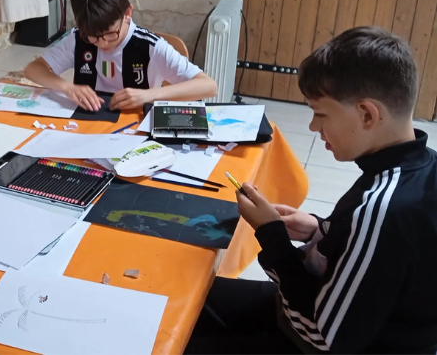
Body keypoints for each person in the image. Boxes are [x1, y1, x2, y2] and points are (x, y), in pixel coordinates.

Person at [185, 27, 437, 353]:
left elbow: (323, 337)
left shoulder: (384, 209)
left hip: (313, 336)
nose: (313, 127)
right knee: (185, 296)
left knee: (167, 337)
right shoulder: (418, 167)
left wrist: (271, 234)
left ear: (367, 113)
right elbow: (372, 258)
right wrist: (318, 230)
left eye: (320, 114)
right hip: (315, 309)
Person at [23, 0, 217, 111]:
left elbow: (208, 86)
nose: (101, 44)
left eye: (109, 34)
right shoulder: (79, 38)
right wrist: (67, 87)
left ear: (127, 13)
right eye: (93, 36)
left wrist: (150, 95)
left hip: (134, 129)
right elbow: (33, 69)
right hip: (84, 126)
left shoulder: (150, 47)